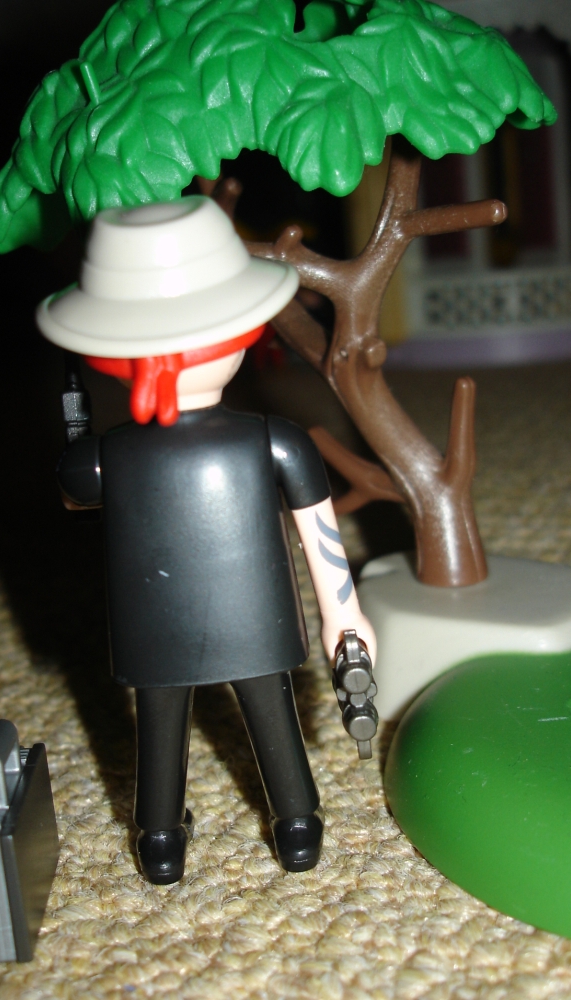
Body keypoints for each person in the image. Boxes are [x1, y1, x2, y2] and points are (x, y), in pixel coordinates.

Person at [37, 196, 376, 884]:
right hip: (255, 620)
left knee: (161, 726)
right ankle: (297, 826)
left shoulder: (108, 456)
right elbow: (321, 536)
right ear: (242, 332)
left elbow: (74, 486)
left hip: (155, 627)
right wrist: (345, 615)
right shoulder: (274, 440)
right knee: (270, 715)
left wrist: (75, 428)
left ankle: (161, 839)